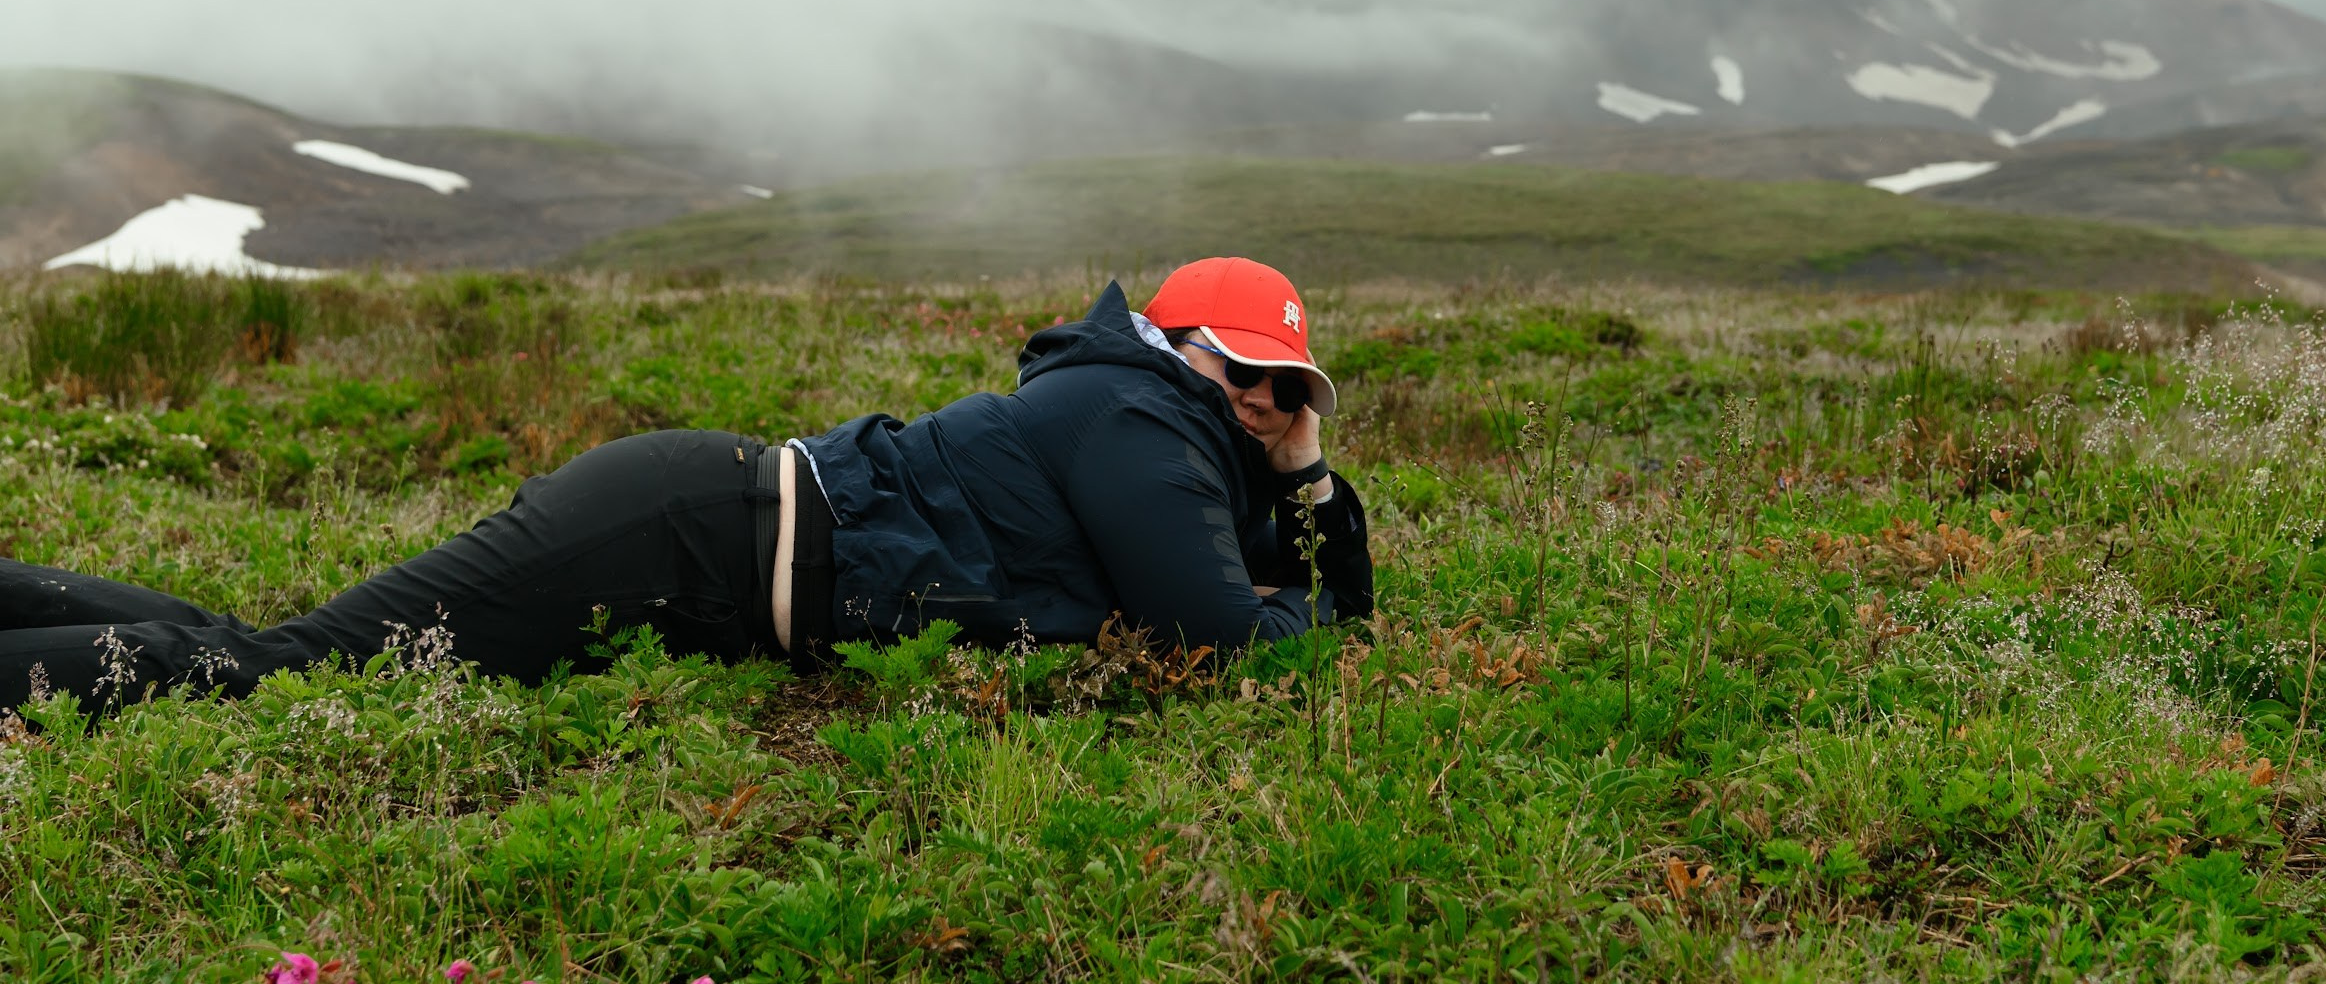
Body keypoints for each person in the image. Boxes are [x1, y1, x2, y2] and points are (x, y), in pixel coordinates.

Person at [0, 258, 1372, 714]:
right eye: (1242, 375)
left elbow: (1307, 589)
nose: (1262, 402)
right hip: (679, 537)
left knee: (277, 652)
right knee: (280, 674)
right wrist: (1328, 631)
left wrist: (1308, 474)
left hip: (695, 536)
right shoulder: (1135, 416)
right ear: (1171, 349)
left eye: (1289, 385)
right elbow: (1228, 638)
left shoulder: (1177, 425)